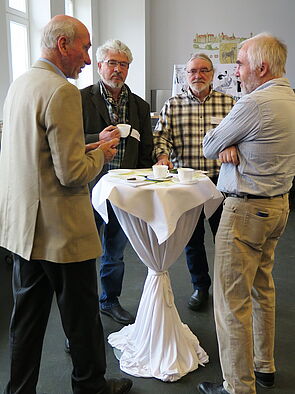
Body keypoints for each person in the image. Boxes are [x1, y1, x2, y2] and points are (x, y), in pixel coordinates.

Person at [0, 15, 132, 394]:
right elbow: (73, 173)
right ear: (63, 45)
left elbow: (34, 152)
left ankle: (18, 389)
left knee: (25, 321)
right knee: (82, 318)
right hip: (61, 233)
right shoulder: (63, 91)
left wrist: (87, 146)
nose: (88, 59)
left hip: (25, 229)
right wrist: (102, 155)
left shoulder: (21, 84)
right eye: (86, 48)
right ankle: (90, 386)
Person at [198, 33, 295, 394]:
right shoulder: (289, 98)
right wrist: (236, 141)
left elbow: (210, 146)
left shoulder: (253, 104)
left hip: (245, 211)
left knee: (230, 301)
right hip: (278, 206)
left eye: (239, 63)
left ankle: (237, 386)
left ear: (261, 67)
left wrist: (229, 140)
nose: (235, 71)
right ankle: (264, 366)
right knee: (262, 288)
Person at [80, 39, 154, 325]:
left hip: (124, 189)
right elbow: (68, 141)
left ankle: (109, 300)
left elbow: (146, 149)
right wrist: (96, 140)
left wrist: (145, 186)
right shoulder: (79, 99)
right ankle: (83, 312)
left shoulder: (139, 105)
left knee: (115, 251)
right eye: (112, 63)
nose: (118, 70)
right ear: (100, 66)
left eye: (123, 65)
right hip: (88, 187)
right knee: (84, 254)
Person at [153, 53, 234, 310]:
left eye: (203, 70)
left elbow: (240, 137)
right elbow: (161, 137)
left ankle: (228, 288)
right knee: (193, 241)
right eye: (192, 71)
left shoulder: (229, 104)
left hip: (221, 184)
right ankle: (201, 287)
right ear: (185, 75)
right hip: (187, 186)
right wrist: (163, 155)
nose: (197, 76)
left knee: (226, 240)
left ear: (212, 74)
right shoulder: (172, 105)